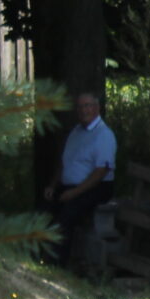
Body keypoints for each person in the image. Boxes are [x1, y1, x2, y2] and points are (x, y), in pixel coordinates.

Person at [42, 91, 115, 267]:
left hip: (95, 187)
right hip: (69, 186)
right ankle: (39, 258)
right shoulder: (75, 132)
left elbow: (101, 172)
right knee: (44, 209)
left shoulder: (104, 135)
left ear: (96, 108)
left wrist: (74, 193)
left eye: (87, 106)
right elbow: (64, 162)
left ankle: (58, 265)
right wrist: (52, 185)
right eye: (80, 107)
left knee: (66, 216)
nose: (83, 110)